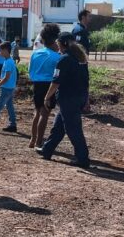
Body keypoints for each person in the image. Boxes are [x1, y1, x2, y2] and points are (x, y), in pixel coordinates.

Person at [38, 32, 91, 167]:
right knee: (59, 127)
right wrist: (86, 99)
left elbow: (56, 82)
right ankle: (47, 150)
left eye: (58, 43)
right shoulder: (81, 59)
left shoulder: (64, 60)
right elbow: (86, 81)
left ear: (63, 44)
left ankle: (83, 159)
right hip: (78, 97)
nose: (57, 46)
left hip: (68, 99)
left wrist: (47, 97)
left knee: (73, 129)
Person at [28, 23, 62, 149]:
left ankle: (32, 139)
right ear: (55, 40)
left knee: (37, 112)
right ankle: (39, 142)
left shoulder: (35, 54)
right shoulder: (57, 57)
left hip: (36, 85)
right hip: (49, 86)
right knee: (45, 114)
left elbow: (30, 71)